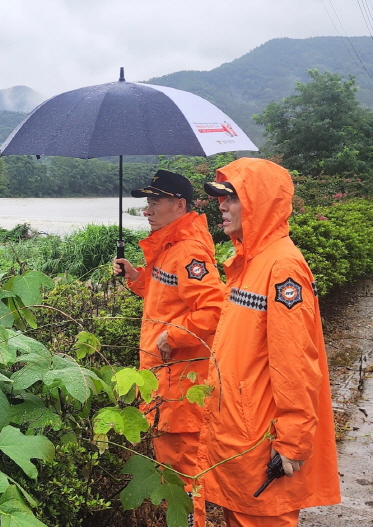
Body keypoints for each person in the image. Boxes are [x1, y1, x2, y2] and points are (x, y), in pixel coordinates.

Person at [198, 158, 341, 526]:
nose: (222, 207)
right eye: (220, 199)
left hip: (260, 437)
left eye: (231, 198)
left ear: (258, 201)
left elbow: (294, 361)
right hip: (240, 431)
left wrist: (292, 442)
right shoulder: (248, 261)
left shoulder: (281, 268)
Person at [114, 169, 224, 527]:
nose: (147, 210)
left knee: (184, 480)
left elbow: (212, 309)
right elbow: (166, 296)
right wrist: (136, 277)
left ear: (178, 205)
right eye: (147, 202)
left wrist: (173, 337)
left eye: (155, 202)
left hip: (181, 388)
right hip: (164, 383)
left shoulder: (188, 251)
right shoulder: (168, 245)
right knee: (170, 478)